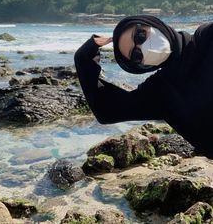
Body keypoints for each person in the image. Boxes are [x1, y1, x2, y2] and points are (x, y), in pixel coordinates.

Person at [74, 15, 213, 159]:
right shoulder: (160, 92)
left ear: (151, 23)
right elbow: (106, 110)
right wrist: (83, 58)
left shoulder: (206, 38)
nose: (142, 47)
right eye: (136, 55)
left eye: (140, 35)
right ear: (140, 66)